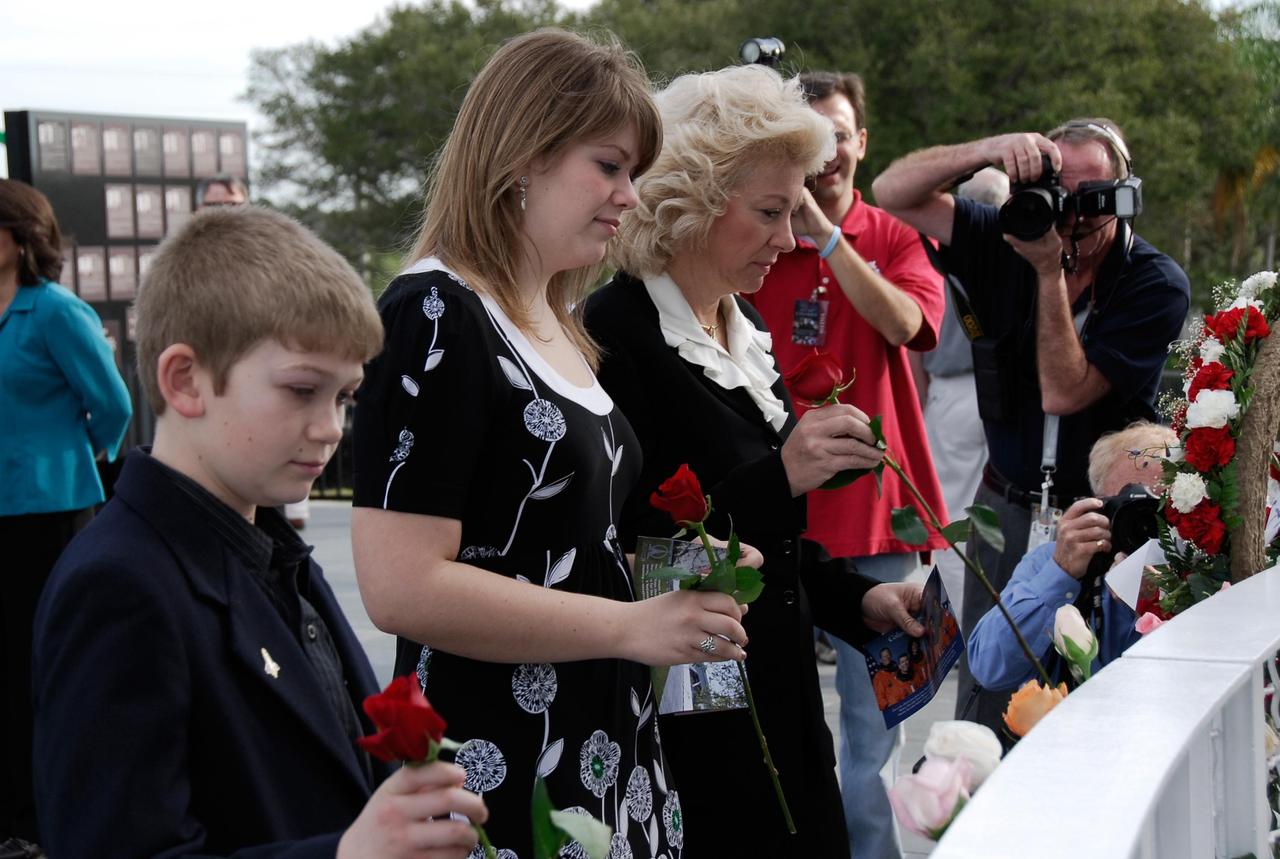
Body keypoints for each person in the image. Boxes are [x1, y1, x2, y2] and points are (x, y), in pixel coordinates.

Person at [350, 31, 749, 856]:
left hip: (605, 759)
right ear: (521, 154)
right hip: (504, 772)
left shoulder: (558, 324)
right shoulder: (435, 313)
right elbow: (400, 586)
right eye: (610, 166)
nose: (629, 197)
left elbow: (549, 544)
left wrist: (670, 573)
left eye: (633, 173)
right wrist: (631, 624)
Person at [31, 206, 488, 856]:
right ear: (185, 380)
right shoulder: (119, 586)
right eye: (302, 390)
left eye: (344, 397)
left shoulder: (274, 552)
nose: (332, 426)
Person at [585, 64, 927, 857]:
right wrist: (784, 474)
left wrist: (853, 600)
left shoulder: (739, 329)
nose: (788, 238)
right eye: (772, 212)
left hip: (774, 692)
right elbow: (626, 548)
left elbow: (766, 546)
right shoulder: (618, 334)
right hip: (694, 721)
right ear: (694, 206)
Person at [872, 119, 1190, 734]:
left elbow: (1066, 390)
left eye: (1090, 199)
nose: (1069, 218)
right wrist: (987, 150)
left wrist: (1048, 274)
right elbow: (891, 191)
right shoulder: (1010, 235)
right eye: (1058, 193)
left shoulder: (1154, 282)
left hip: (1098, 514)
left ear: (1122, 198)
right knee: (987, 687)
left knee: (1090, 681)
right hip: (1003, 504)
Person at [744, 70, 947, 859]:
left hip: (881, 513)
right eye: (810, 135)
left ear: (861, 143)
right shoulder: (759, 240)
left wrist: (829, 235)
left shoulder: (894, 237)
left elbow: (908, 325)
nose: (825, 154)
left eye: (837, 135)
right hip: (780, 509)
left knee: (876, 734)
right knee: (782, 719)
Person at [0, 179, 132, 845]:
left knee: (41, 666)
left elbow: (112, 404)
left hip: (50, 513)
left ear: (20, 238)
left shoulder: (54, 312)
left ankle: (39, 818)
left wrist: (81, 461)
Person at [966, 421, 1175, 691]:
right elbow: (988, 666)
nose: (1144, 521)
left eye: (1158, 507)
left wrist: (1163, 600)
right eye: (1128, 504)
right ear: (1097, 504)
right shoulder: (1056, 560)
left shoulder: (1201, 570)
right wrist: (1060, 574)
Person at [908, 167, 1011, 622]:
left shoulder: (937, 254)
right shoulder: (1012, 254)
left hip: (950, 393)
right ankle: (1000, 617)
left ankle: (959, 626)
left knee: (950, 515)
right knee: (1003, 511)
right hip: (1005, 393)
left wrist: (924, 398)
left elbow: (916, 338)